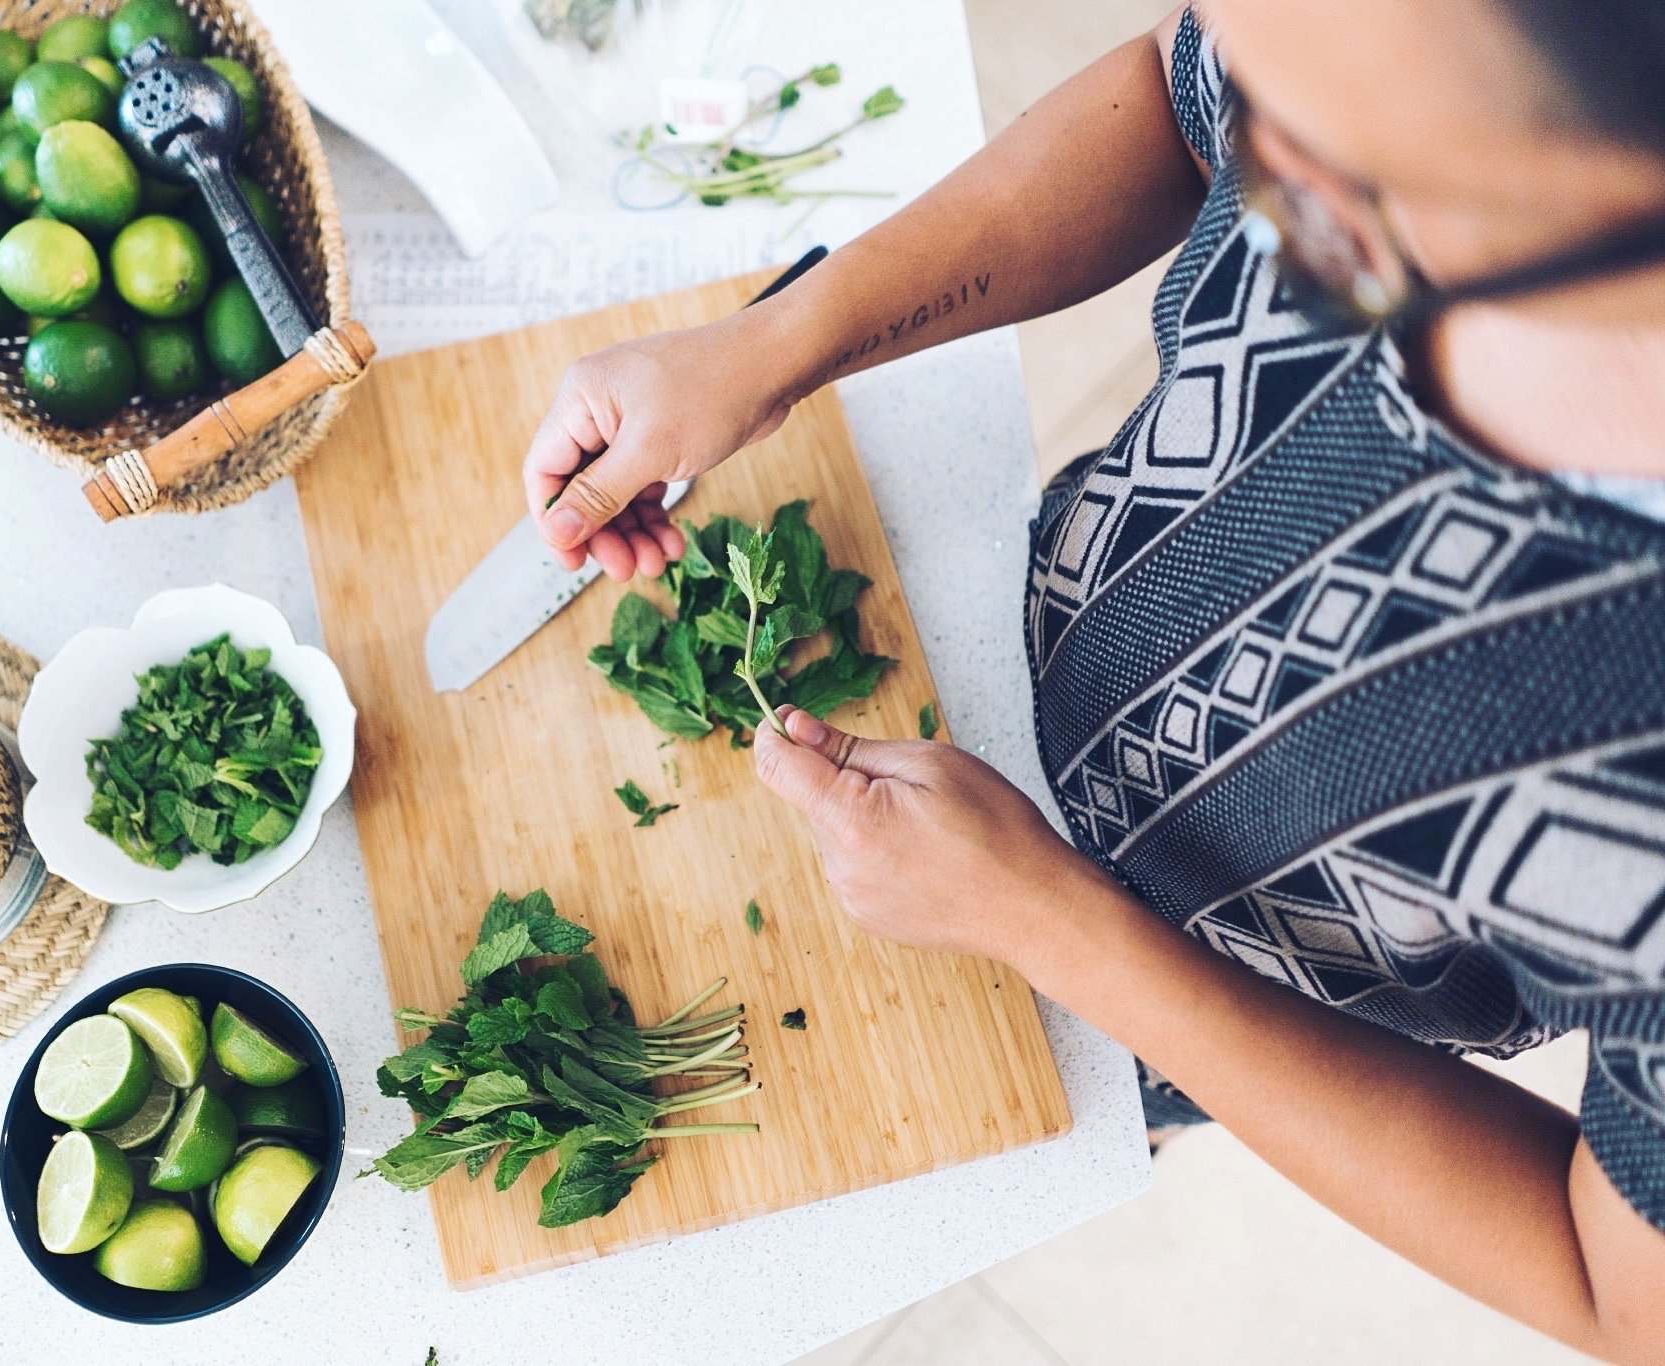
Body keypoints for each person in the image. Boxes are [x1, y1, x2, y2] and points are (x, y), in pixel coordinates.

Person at [521, 1, 1665, 1358]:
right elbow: (1170, 107)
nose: (1260, 169)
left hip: (1199, 1011)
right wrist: (781, 342)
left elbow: (1612, 1285)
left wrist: (1053, 925)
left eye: (1336, 192)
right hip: (1009, 644)